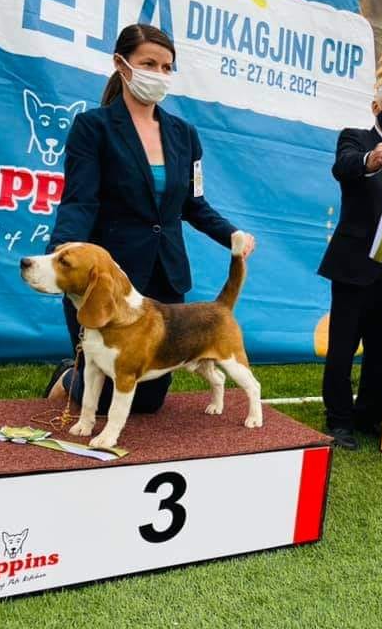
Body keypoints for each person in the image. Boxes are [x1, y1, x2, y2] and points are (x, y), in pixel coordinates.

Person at [43, 24, 256, 413]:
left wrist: (231, 235)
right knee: (102, 396)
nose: (159, 74)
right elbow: (80, 202)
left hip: (165, 275)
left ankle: (78, 376)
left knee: (147, 401)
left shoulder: (185, 134)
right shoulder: (93, 128)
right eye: (148, 64)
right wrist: (61, 254)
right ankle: (70, 376)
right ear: (121, 64)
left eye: (166, 67)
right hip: (109, 277)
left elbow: (194, 204)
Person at [318, 79, 382, 450]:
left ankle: (369, 414)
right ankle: (339, 420)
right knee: (343, 347)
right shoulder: (356, 138)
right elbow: (344, 167)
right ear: (376, 107)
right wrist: (371, 159)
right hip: (356, 265)